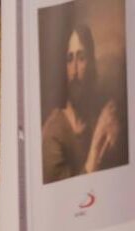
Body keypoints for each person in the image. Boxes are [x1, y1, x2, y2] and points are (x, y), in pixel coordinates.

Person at [42, 23, 127, 183]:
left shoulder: (98, 118)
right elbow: (68, 199)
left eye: (81, 58)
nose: (74, 70)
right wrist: (97, 143)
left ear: (92, 65)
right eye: (69, 59)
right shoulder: (52, 133)